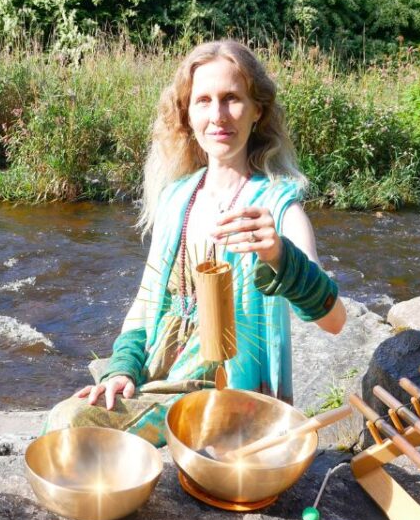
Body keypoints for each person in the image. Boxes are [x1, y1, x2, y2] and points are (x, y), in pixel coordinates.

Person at [44, 40, 346, 446]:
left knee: (70, 427)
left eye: (232, 98)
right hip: (159, 377)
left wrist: (279, 256)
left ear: (257, 111)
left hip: (228, 398)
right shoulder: (176, 198)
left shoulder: (279, 208)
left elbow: (335, 321)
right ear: (187, 113)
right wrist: (122, 368)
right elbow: (145, 304)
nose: (218, 115)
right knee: (69, 419)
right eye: (203, 101)